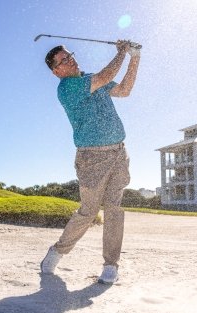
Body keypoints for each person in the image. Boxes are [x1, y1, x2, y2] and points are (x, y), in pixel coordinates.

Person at [40, 40, 140, 284]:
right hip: (91, 157)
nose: (71, 60)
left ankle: (110, 265)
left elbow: (125, 90)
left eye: (70, 55)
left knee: (114, 209)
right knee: (88, 211)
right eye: (64, 60)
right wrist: (122, 53)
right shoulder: (67, 88)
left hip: (119, 153)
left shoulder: (92, 79)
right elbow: (106, 75)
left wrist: (135, 58)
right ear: (56, 71)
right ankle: (58, 251)